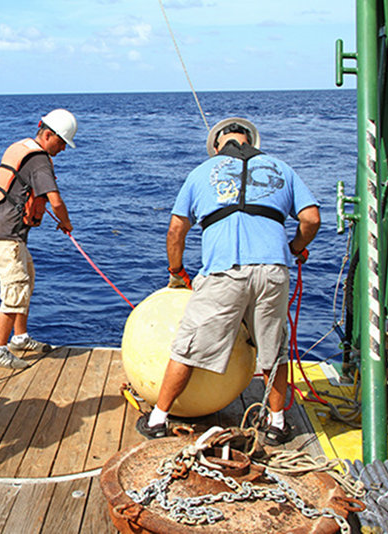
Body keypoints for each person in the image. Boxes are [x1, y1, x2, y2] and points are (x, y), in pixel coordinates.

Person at [138, 117, 321, 446]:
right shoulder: (281, 168)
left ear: (217, 147)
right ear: (253, 141)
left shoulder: (200, 173)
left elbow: (176, 230)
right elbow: (311, 219)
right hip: (273, 272)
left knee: (188, 347)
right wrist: (294, 248)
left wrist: (177, 272)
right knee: (273, 350)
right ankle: (277, 424)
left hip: (224, 272)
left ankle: (157, 419)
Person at [0, 109, 77, 369]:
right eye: (61, 143)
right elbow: (56, 201)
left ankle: (20, 338)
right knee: (15, 291)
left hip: (10, 238)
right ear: (48, 135)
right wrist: (66, 223)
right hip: (6, 240)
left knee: (27, 282)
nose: (63, 150)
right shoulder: (40, 160)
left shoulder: (23, 148)